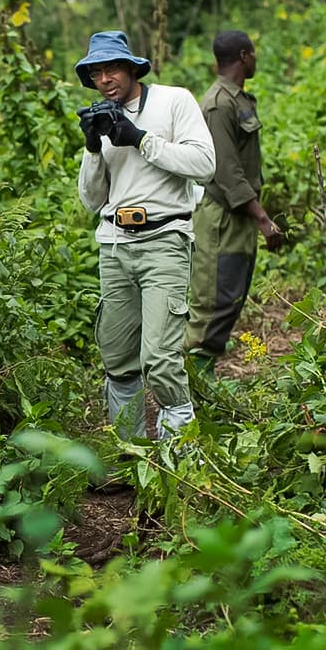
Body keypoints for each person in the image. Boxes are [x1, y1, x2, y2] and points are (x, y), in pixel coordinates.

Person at [75, 30, 216, 439]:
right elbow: (92, 199)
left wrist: (139, 139)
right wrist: (92, 146)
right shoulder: (101, 115)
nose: (105, 79)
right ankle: (130, 458)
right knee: (118, 360)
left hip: (164, 240)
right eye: (96, 73)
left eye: (112, 68)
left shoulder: (174, 101)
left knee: (159, 358)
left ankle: (176, 463)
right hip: (114, 245)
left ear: (131, 68)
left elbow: (204, 164)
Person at [184, 30, 284, 375]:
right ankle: (192, 382)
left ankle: (203, 377)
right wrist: (262, 218)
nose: (255, 59)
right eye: (253, 54)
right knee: (213, 301)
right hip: (222, 218)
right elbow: (224, 170)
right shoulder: (218, 104)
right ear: (244, 56)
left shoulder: (237, 99)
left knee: (232, 296)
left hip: (238, 215)